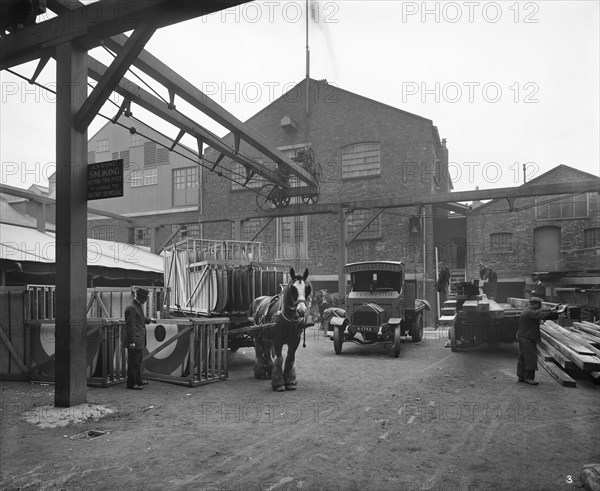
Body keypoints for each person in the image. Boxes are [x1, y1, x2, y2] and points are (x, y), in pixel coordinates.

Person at [516, 297, 563, 385]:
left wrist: (553, 309)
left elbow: (541, 312)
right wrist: (559, 312)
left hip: (524, 336)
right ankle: (529, 378)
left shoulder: (528, 310)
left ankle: (521, 376)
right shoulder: (530, 312)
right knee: (531, 357)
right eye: (539, 305)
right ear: (534, 304)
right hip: (527, 338)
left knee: (523, 357)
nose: (540, 306)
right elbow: (542, 315)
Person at [124, 287, 155, 390]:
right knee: (133, 363)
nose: (146, 300)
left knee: (138, 362)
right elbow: (130, 325)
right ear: (141, 297)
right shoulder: (132, 307)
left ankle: (138, 381)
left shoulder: (136, 305)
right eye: (145, 298)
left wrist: (149, 320)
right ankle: (131, 384)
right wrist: (132, 341)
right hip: (135, 340)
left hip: (138, 339)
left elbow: (140, 318)